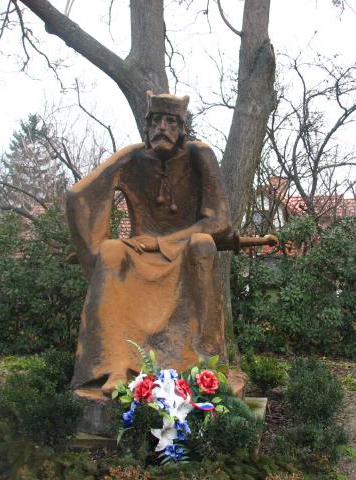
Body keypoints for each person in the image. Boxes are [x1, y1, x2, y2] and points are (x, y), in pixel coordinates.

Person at [66, 92, 232, 396]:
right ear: (147, 126)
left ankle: (202, 362)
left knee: (203, 244)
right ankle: (115, 364)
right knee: (112, 251)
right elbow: (79, 196)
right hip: (138, 252)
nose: (162, 128)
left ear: (182, 127)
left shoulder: (199, 154)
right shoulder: (133, 158)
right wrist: (93, 252)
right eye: (155, 121)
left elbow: (219, 221)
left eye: (171, 121)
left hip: (183, 251)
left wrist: (159, 243)